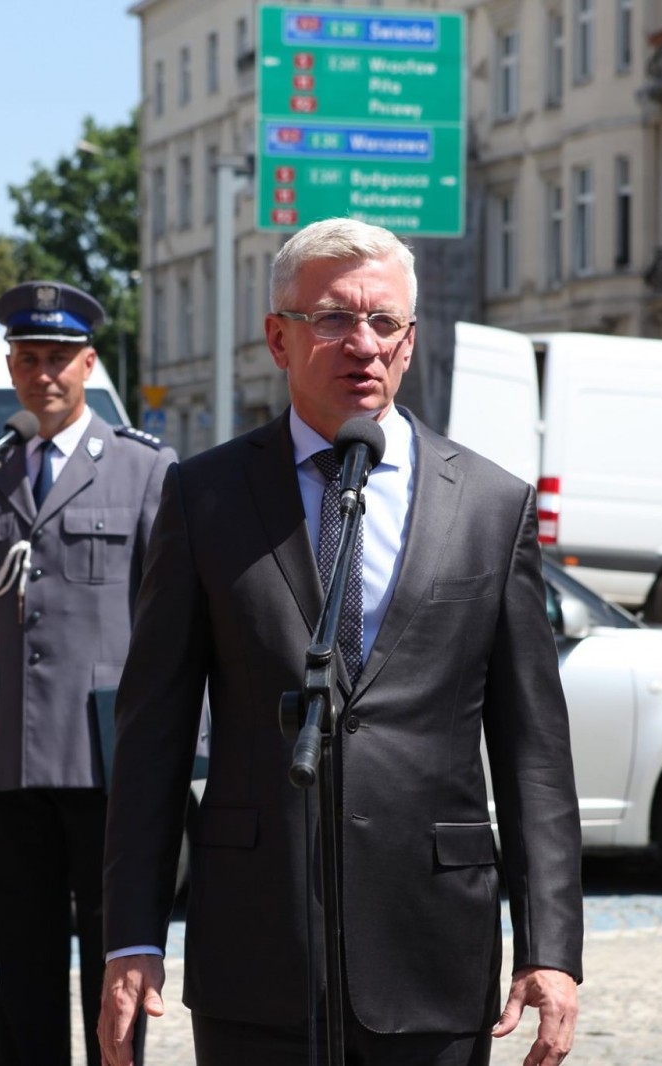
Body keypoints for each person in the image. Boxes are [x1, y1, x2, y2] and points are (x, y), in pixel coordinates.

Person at [98, 218, 584, 1066]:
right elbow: (154, 737)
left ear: (409, 340)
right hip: (258, 944)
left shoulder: (490, 505)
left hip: (432, 942)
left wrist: (549, 945)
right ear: (278, 338)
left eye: (383, 322)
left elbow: (533, 749)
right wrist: (131, 935)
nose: (362, 343)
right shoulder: (202, 497)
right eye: (332, 318)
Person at [0, 280, 176, 1065]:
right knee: (22, 962)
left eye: (60, 359)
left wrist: (179, 750)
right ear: (12, 368)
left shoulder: (144, 470)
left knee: (115, 964)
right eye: (29, 359)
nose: (45, 374)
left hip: (109, 760)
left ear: (89, 364)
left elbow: (172, 628)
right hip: (11, 759)